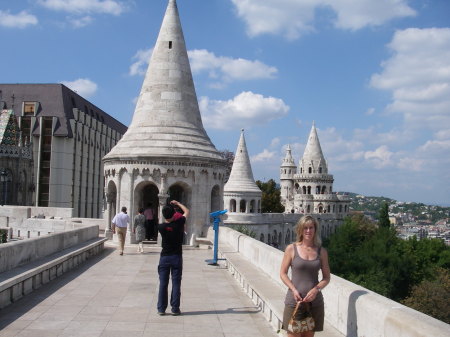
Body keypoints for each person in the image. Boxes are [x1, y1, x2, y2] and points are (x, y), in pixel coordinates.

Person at [280, 215, 331, 337]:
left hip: (314, 303)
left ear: (315, 229)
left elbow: (326, 277)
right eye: (305, 228)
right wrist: (293, 289)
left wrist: (316, 289)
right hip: (294, 301)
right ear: (300, 230)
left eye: (311, 228)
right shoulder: (291, 249)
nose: (308, 231)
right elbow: (283, 273)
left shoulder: (321, 252)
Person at [157, 200, 189, 316]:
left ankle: (161, 309)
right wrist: (178, 203)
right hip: (176, 257)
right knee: (176, 283)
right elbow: (186, 211)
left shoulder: (160, 227)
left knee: (163, 284)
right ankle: (175, 308)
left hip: (164, 257)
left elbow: (163, 222)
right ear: (174, 214)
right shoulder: (179, 223)